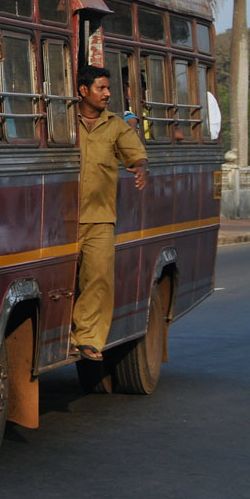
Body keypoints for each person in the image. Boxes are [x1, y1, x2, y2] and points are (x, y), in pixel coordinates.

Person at [73, 64, 148, 362]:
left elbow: (136, 152)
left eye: (108, 89)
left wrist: (141, 167)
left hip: (100, 218)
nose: (107, 94)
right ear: (83, 91)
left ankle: (89, 339)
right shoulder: (62, 120)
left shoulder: (115, 125)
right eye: (101, 88)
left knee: (98, 278)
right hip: (60, 217)